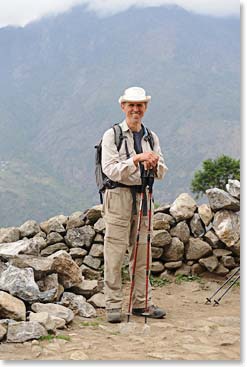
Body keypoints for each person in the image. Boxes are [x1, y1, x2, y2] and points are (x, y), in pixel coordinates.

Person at [101, 86, 168, 323]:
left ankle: (141, 303)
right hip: (118, 196)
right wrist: (137, 159)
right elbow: (110, 169)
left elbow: (161, 171)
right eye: (131, 105)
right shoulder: (112, 135)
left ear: (145, 107)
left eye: (140, 105)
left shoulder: (151, 136)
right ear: (123, 106)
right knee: (115, 252)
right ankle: (113, 306)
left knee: (142, 254)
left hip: (144, 196)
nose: (135, 109)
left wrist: (154, 164)